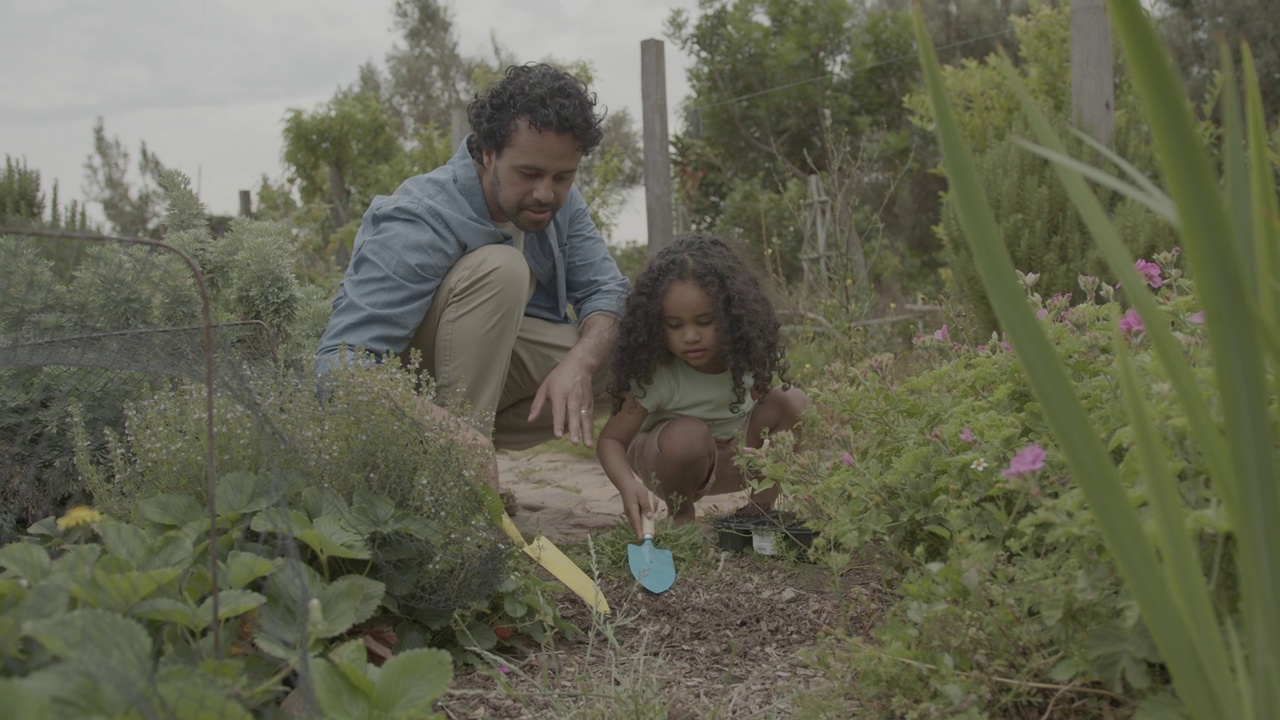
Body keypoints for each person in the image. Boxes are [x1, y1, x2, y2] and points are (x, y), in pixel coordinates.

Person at [314, 63, 630, 490]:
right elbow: (338, 367)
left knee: (632, 356)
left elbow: (607, 291)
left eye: (563, 177)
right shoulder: (420, 217)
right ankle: (449, 481)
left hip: (478, 387)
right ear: (486, 153)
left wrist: (581, 362)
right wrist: (446, 429)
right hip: (410, 395)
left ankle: (467, 462)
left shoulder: (560, 202)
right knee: (501, 269)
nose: (546, 193)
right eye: (529, 173)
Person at [596, 234, 809, 538]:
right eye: (675, 325)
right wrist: (628, 484)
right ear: (656, 324)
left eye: (705, 321)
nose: (691, 336)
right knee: (689, 434)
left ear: (733, 316)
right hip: (673, 466)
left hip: (733, 460)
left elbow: (768, 409)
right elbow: (611, 441)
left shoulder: (746, 357)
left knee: (794, 400)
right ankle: (682, 516)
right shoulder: (658, 375)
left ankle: (760, 509)